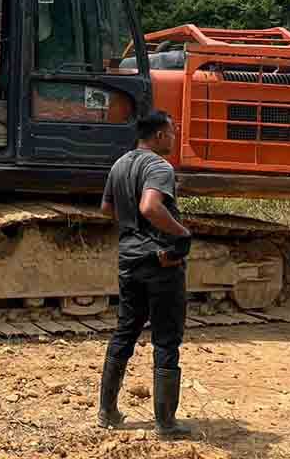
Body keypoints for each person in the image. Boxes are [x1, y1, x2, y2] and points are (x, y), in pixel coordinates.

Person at [97, 110, 194, 440]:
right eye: (173, 131)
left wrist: (132, 238)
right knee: (166, 338)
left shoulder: (119, 164)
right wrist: (181, 234)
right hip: (160, 262)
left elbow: (107, 210)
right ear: (159, 136)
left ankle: (107, 412)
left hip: (129, 260)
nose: (175, 137)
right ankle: (166, 424)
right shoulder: (159, 166)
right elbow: (150, 207)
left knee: (125, 331)